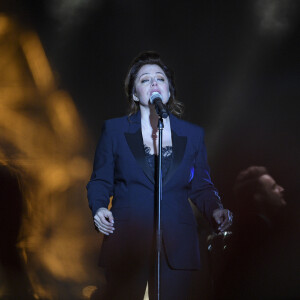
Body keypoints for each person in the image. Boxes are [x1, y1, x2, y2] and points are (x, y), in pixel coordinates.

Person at [86, 51, 232, 300]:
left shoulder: (192, 135)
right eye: (144, 80)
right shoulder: (115, 130)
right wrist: (99, 208)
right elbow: (101, 180)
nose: (154, 83)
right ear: (134, 93)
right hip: (128, 243)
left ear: (169, 89)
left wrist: (215, 209)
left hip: (176, 244)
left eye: (160, 78)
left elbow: (201, 185)